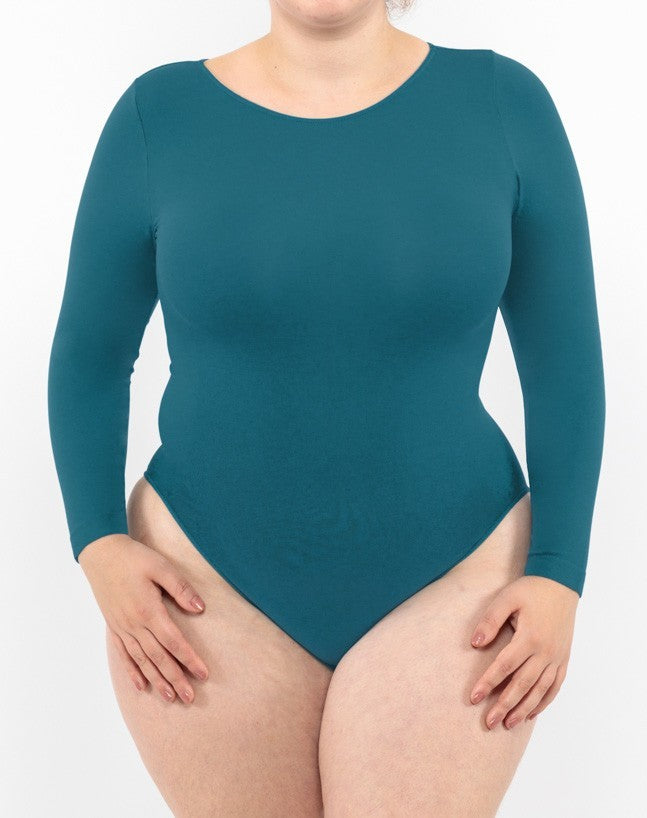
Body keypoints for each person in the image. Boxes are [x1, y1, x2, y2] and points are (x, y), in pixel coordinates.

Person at [47, 1, 605, 814]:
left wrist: (559, 573)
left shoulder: (504, 104)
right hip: (204, 586)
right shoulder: (156, 116)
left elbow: (564, 366)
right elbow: (91, 356)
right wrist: (98, 543)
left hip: (459, 582)